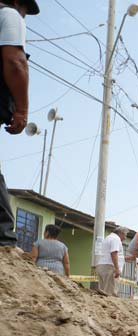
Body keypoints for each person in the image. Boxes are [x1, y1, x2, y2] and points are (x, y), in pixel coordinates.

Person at [0, 0, 39, 247]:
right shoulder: (9, 15)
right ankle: (3, 241)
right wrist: (23, 110)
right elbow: (15, 62)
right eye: (25, 11)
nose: (24, 16)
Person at [95, 226, 128, 296]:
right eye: (125, 235)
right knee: (110, 294)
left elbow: (113, 254)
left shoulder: (108, 238)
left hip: (103, 266)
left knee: (103, 292)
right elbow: (114, 253)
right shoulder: (115, 239)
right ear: (121, 233)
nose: (125, 238)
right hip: (110, 267)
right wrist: (117, 268)